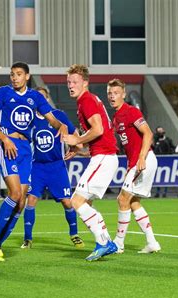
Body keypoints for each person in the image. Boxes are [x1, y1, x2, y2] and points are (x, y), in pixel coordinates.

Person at [0, 61, 68, 262]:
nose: (14, 78)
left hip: (25, 149)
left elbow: (52, 119)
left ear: (27, 76)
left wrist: (62, 127)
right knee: (14, 194)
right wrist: (5, 140)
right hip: (8, 145)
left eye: (19, 74)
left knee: (21, 202)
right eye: (12, 74)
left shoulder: (36, 97)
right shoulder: (2, 93)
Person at [62, 64, 118, 261]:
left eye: (74, 82)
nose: (70, 85)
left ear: (85, 83)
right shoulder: (87, 101)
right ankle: (104, 241)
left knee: (76, 201)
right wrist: (80, 151)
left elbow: (99, 129)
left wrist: (76, 140)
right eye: (68, 82)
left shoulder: (86, 100)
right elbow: (98, 138)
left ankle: (104, 242)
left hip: (105, 158)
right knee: (85, 202)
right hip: (102, 156)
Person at [21, 87, 84, 249]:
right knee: (32, 199)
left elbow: (73, 131)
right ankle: (27, 238)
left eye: (42, 97)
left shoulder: (59, 116)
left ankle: (74, 234)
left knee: (67, 202)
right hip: (37, 167)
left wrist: (76, 147)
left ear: (47, 100)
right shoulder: (30, 119)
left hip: (57, 166)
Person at [108, 79, 161, 254]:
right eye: (110, 93)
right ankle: (152, 242)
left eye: (116, 93)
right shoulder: (116, 117)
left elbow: (148, 133)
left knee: (122, 199)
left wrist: (141, 158)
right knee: (133, 202)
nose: (112, 96)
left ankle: (119, 243)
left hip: (144, 160)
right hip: (136, 162)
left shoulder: (131, 111)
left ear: (124, 94)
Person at [152, 126, 175, 198]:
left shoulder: (168, 140)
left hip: (167, 160)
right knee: (158, 175)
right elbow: (153, 149)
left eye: (161, 130)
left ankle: (165, 192)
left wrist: (170, 153)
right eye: (159, 131)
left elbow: (173, 148)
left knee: (166, 175)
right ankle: (158, 192)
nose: (161, 132)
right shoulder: (155, 141)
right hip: (157, 160)